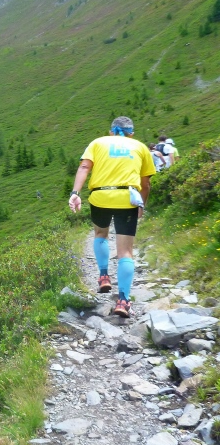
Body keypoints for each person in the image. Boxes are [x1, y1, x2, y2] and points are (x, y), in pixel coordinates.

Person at [68, 116, 156, 317]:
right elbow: (146, 184)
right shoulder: (140, 147)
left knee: (100, 234)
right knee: (125, 252)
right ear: (131, 133)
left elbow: (84, 167)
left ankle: (103, 276)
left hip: (100, 197)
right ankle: (123, 301)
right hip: (127, 198)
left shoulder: (97, 143)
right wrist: (141, 204)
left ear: (111, 131)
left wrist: (75, 193)